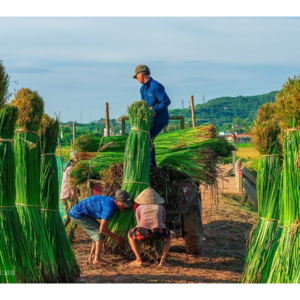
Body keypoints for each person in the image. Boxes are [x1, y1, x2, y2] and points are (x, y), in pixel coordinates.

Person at [69, 190, 133, 266]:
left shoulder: (110, 202)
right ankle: (97, 259)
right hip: (78, 214)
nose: (125, 207)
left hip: (83, 213)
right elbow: (103, 229)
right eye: (124, 204)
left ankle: (91, 257)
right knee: (99, 232)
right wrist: (117, 238)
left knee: (96, 233)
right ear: (117, 201)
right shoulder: (109, 208)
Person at [132, 64, 171, 168]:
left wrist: (154, 110)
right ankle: (147, 163)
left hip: (159, 118)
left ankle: (151, 166)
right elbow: (143, 104)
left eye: (136, 76)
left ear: (141, 74)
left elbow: (166, 101)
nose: (136, 79)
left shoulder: (156, 86)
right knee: (144, 137)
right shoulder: (142, 89)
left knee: (147, 138)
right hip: (150, 119)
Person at [128, 187, 172, 267]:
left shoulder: (139, 207)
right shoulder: (161, 207)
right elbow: (163, 221)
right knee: (169, 236)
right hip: (159, 231)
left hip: (143, 232)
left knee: (130, 234)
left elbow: (138, 222)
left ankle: (138, 259)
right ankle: (162, 261)